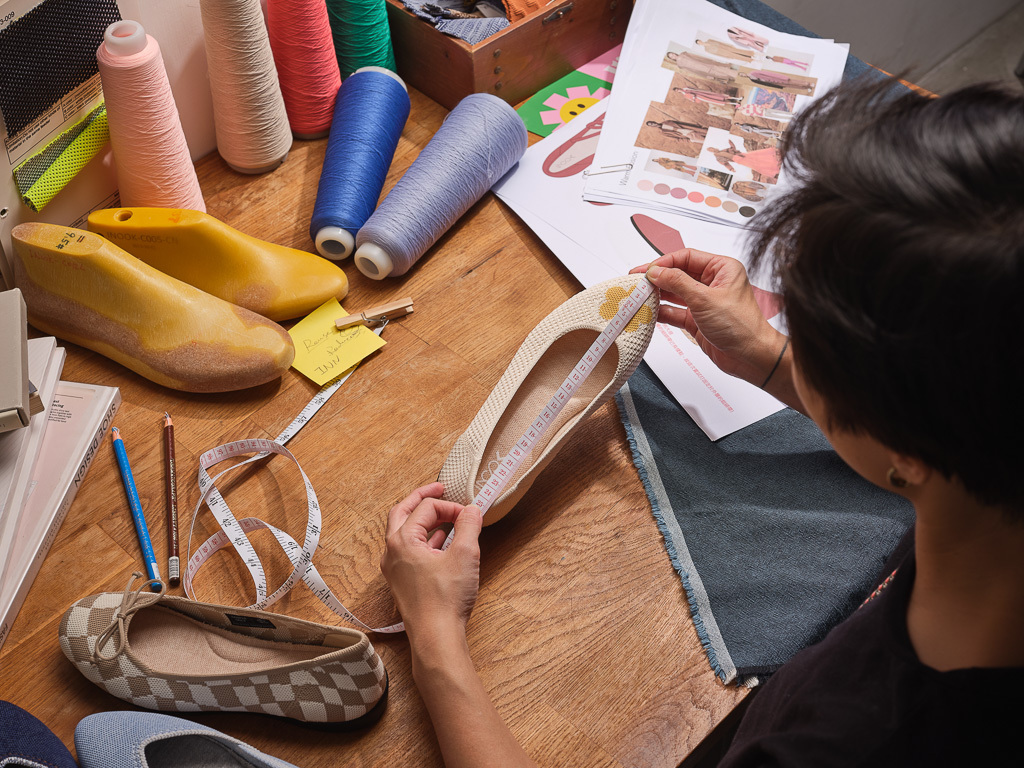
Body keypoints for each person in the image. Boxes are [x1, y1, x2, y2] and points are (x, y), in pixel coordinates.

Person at [381, 80, 1024, 765]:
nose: (790, 338)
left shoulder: (842, 742)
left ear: (909, 451)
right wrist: (776, 363)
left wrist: (435, 641)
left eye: (808, 336)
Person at [707, 137, 781, 178]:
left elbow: (733, 148)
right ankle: (772, 168)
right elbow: (725, 164)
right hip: (737, 159)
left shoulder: (722, 150)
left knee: (756, 155)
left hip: (740, 154)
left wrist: (731, 143)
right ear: (711, 151)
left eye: (712, 148)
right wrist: (731, 169)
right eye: (711, 150)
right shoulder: (718, 157)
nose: (713, 149)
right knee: (754, 163)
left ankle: (772, 159)